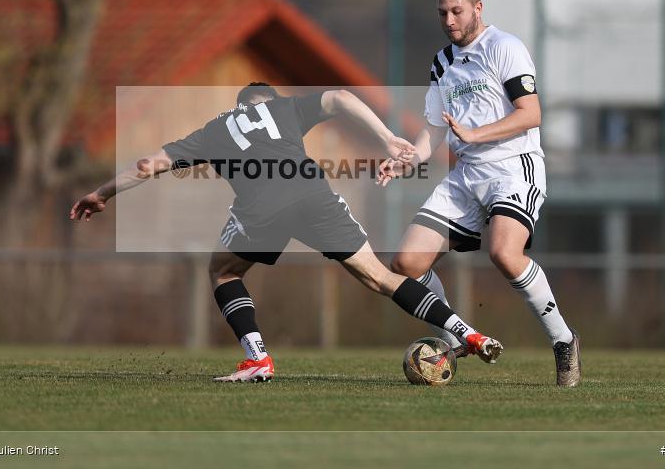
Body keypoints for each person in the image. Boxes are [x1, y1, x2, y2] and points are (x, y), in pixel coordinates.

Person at [70, 83, 503, 382]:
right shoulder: (284, 108)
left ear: (239, 106)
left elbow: (148, 165)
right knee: (381, 278)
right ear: (266, 102)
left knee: (223, 271)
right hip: (314, 194)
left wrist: (102, 193)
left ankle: (258, 357)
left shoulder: (213, 130)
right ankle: (468, 333)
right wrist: (388, 137)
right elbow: (339, 98)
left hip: (263, 210)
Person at [377, 0, 581, 387]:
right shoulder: (442, 63)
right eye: (442, 13)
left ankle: (563, 340)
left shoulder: (504, 47)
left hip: (512, 165)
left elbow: (531, 114)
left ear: (477, 7)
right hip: (467, 174)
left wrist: (475, 134)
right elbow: (435, 128)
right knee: (405, 265)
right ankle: (457, 338)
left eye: (457, 10)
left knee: (505, 254)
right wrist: (410, 158)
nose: (450, 20)